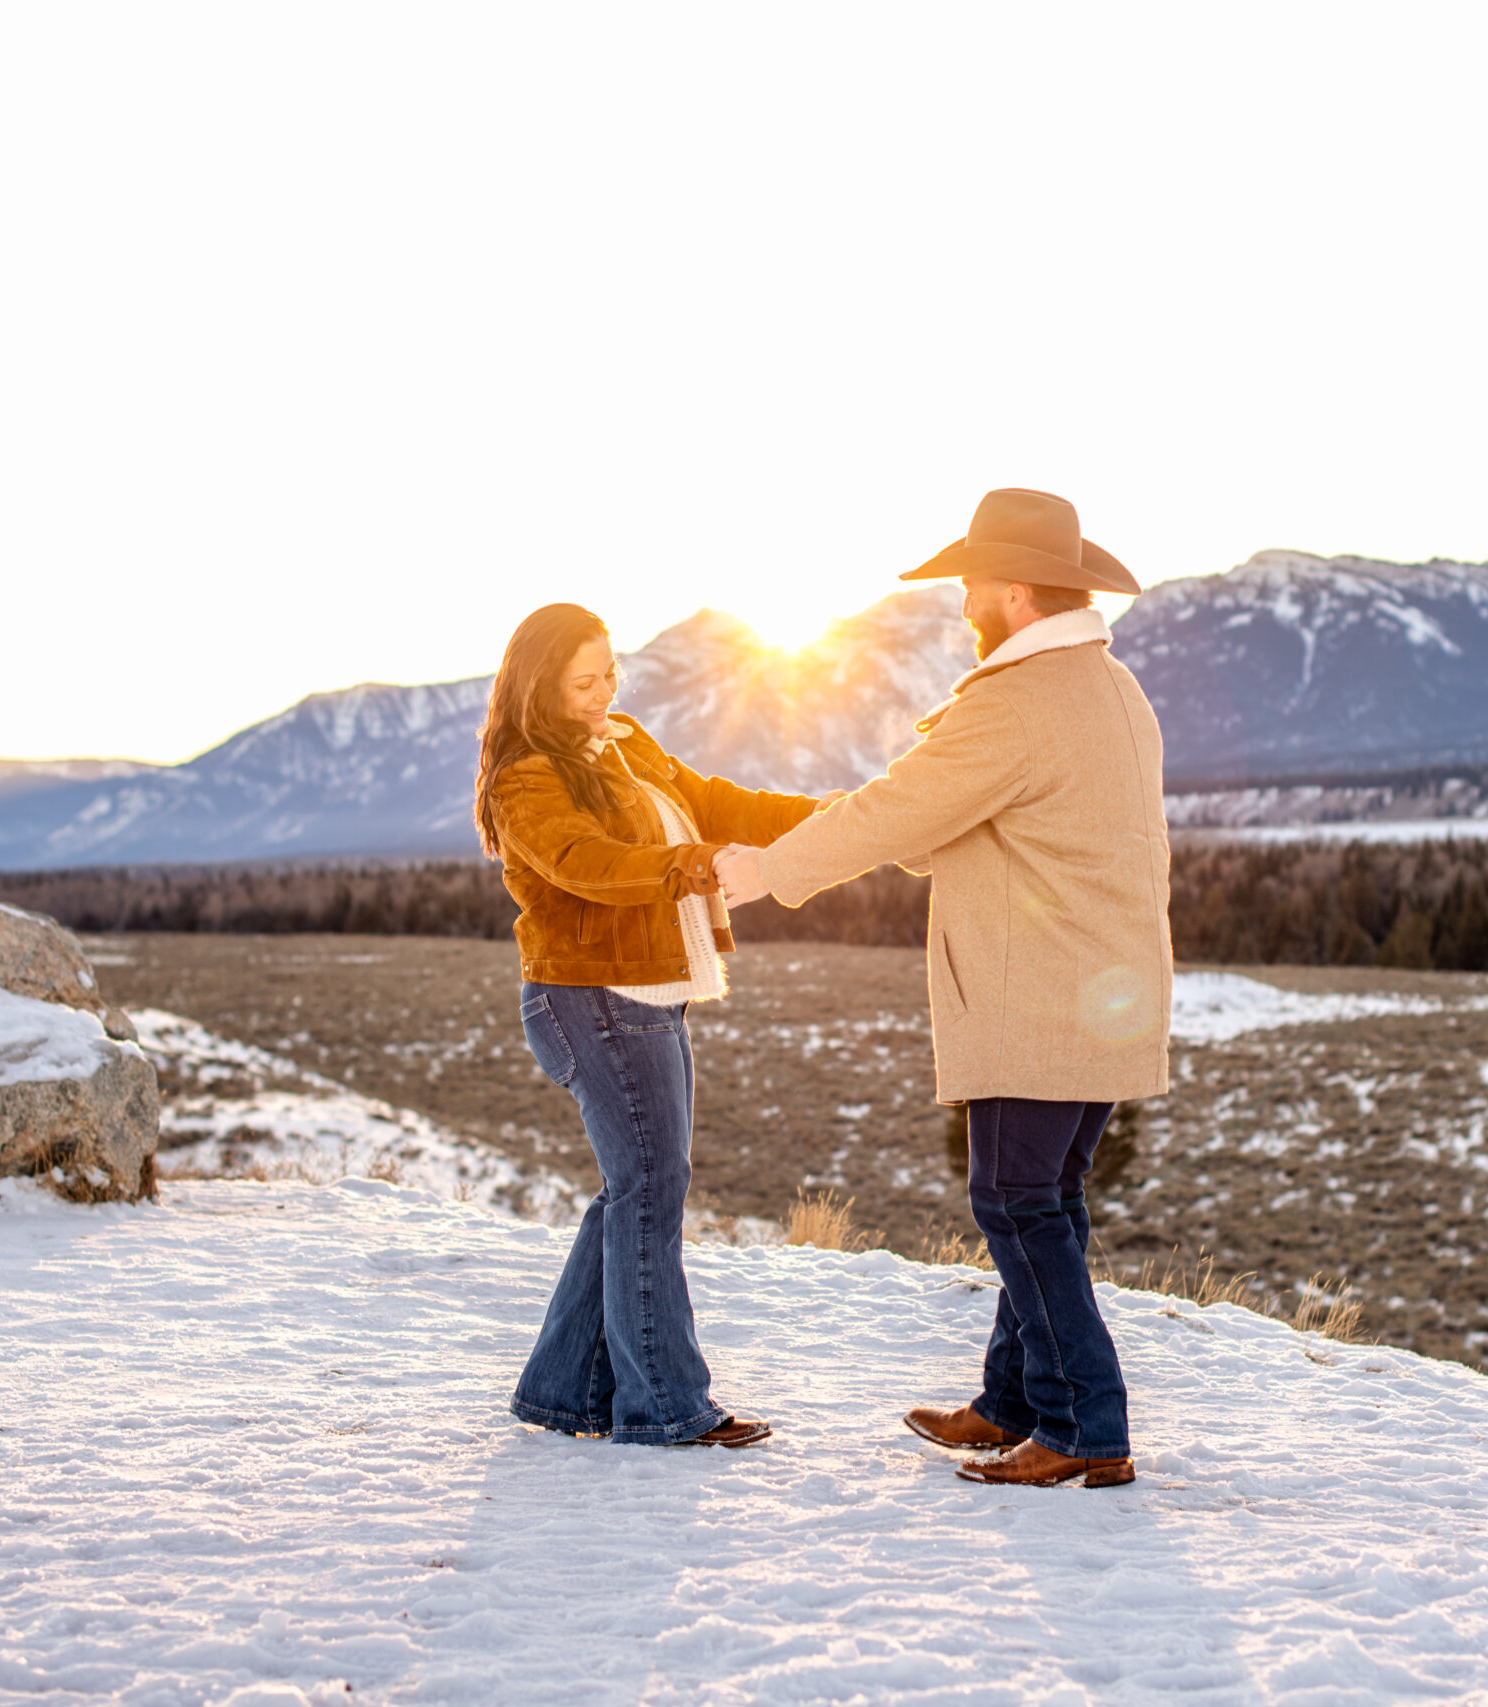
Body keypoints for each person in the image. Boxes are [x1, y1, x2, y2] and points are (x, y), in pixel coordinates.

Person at [716, 488, 1170, 1489]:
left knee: (1015, 1201)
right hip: (1098, 991)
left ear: (1011, 591)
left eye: (971, 580)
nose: (961, 596)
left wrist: (762, 870)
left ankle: (1085, 1429)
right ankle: (1015, 1404)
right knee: (1043, 1199)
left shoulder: (1017, 702)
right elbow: (950, 822)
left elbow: (898, 810)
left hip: (1035, 996)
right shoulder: (1109, 687)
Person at [478, 602, 824, 1448]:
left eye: (610, 673)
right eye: (583, 681)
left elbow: (711, 800)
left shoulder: (626, 740)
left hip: (650, 988)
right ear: (539, 685)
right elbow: (586, 865)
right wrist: (694, 865)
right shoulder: (526, 774)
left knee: (636, 1185)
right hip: (590, 994)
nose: (604, 692)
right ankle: (664, 1404)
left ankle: (562, 1391)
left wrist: (837, 817)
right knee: (649, 1185)